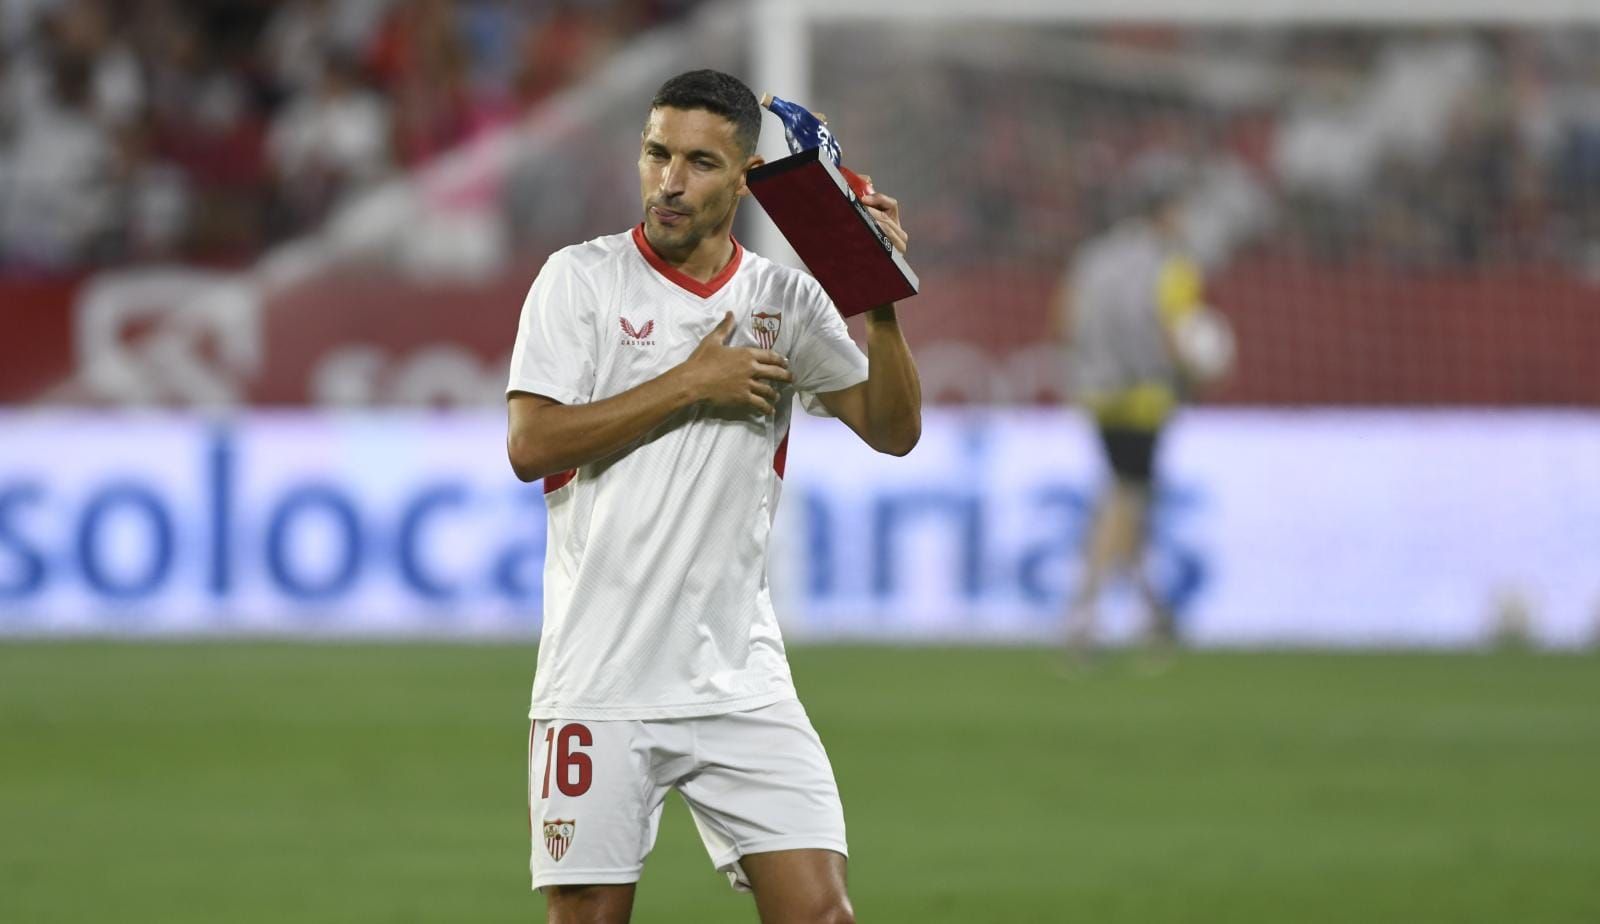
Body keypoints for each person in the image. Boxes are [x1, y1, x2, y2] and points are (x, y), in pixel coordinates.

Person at [504, 69, 920, 924]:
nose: (670, 180)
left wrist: (878, 303)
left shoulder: (785, 300)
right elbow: (530, 444)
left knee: (824, 916)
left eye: (699, 161)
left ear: (745, 176)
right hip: (600, 681)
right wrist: (691, 384)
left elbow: (894, 430)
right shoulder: (578, 282)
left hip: (740, 678)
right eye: (658, 153)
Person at [1054, 157, 1211, 658]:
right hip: (1144, 395)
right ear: (1164, 212)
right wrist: (1199, 373)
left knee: (1130, 496)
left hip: (1097, 391)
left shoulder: (1095, 256)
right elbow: (1175, 334)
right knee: (1126, 497)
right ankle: (1084, 613)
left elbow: (1064, 314)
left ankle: (1152, 609)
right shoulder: (1172, 264)